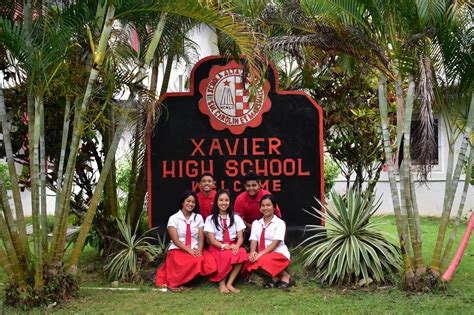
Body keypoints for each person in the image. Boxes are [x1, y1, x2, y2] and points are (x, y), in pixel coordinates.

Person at [155, 190, 217, 292]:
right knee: (191, 261)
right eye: (188, 201)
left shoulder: (198, 218)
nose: (191, 204)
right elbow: (175, 240)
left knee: (208, 262)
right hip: (178, 249)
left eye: (193, 202)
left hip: (195, 248)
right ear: (182, 203)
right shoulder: (174, 218)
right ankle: (175, 284)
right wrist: (189, 250)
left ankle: (186, 282)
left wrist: (199, 251)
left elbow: (201, 238)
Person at [245, 194, 293, 289]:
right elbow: (254, 240)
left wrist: (259, 255)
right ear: (260, 208)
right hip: (263, 254)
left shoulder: (280, 223)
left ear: (274, 208)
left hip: (278, 254)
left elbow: (275, 243)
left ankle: (285, 276)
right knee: (246, 258)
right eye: (263, 205)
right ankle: (274, 277)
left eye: (268, 205)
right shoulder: (256, 223)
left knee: (261, 260)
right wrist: (253, 252)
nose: (265, 208)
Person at [204, 189, 247, 293]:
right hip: (217, 247)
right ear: (216, 202)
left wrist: (237, 246)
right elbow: (212, 240)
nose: (224, 203)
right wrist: (224, 246)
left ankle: (230, 283)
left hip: (232, 245)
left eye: (226, 200)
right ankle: (222, 283)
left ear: (230, 202)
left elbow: (240, 237)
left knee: (241, 252)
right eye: (221, 200)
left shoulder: (236, 218)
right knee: (226, 254)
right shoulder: (210, 219)